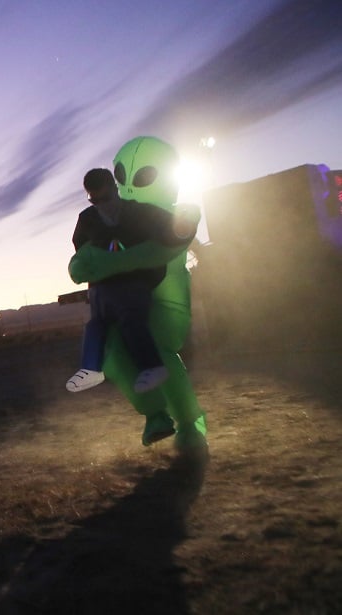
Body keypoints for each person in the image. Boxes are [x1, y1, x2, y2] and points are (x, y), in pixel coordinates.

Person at [69, 136, 208, 455]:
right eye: (121, 174)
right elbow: (83, 254)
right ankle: (156, 415)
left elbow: (164, 247)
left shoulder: (168, 214)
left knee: (156, 347)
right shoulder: (96, 219)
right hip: (114, 299)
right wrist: (83, 264)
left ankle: (190, 422)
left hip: (163, 301)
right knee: (113, 354)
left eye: (143, 175)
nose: (129, 184)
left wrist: (109, 262)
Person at [65, 168, 188, 394]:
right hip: (104, 285)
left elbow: (174, 228)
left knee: (129, 316)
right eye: (95, 200)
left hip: (137, 280)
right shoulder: (88, 219)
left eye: (106, 198)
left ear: (115, 189)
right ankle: (91, 368)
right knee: (96, 324)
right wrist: (88, 269)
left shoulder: (139, 212)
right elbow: (83, 251)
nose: (102, 204)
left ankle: (152, 366)